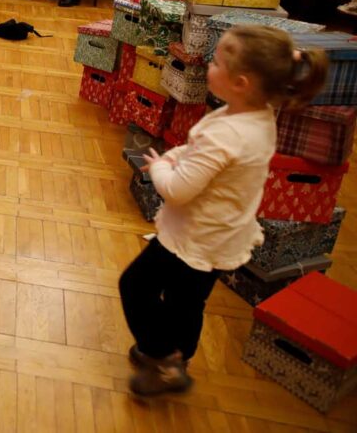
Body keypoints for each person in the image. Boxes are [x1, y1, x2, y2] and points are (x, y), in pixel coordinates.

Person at [120, 25, 327, 396]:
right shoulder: (257, 116)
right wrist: (178, 156)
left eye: (215, 62)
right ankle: (176, 359)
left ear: (241, 82)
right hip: (220, 235)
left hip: (195, 236)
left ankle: (162, 356)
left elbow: (178, 191)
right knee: (186, 302)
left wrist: (161, 168)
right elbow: (203, 153)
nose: (207, 65)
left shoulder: (227, 133)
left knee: (136, 286)